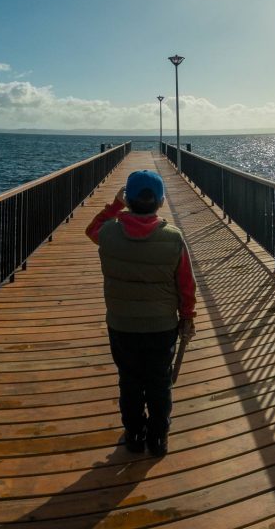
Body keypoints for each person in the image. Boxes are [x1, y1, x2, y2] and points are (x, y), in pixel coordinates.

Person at [85, 168, 196, 457]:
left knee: (130, 380)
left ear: (129, 200)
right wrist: (188, 316)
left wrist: (114, 205)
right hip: (161, 327)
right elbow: (186, 284)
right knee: (159, 382)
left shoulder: (108, 233)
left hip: (122, 325)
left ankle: (134, 434)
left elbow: (91, 229)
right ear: (160, 202)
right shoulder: (173, 238)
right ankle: (158, 438)